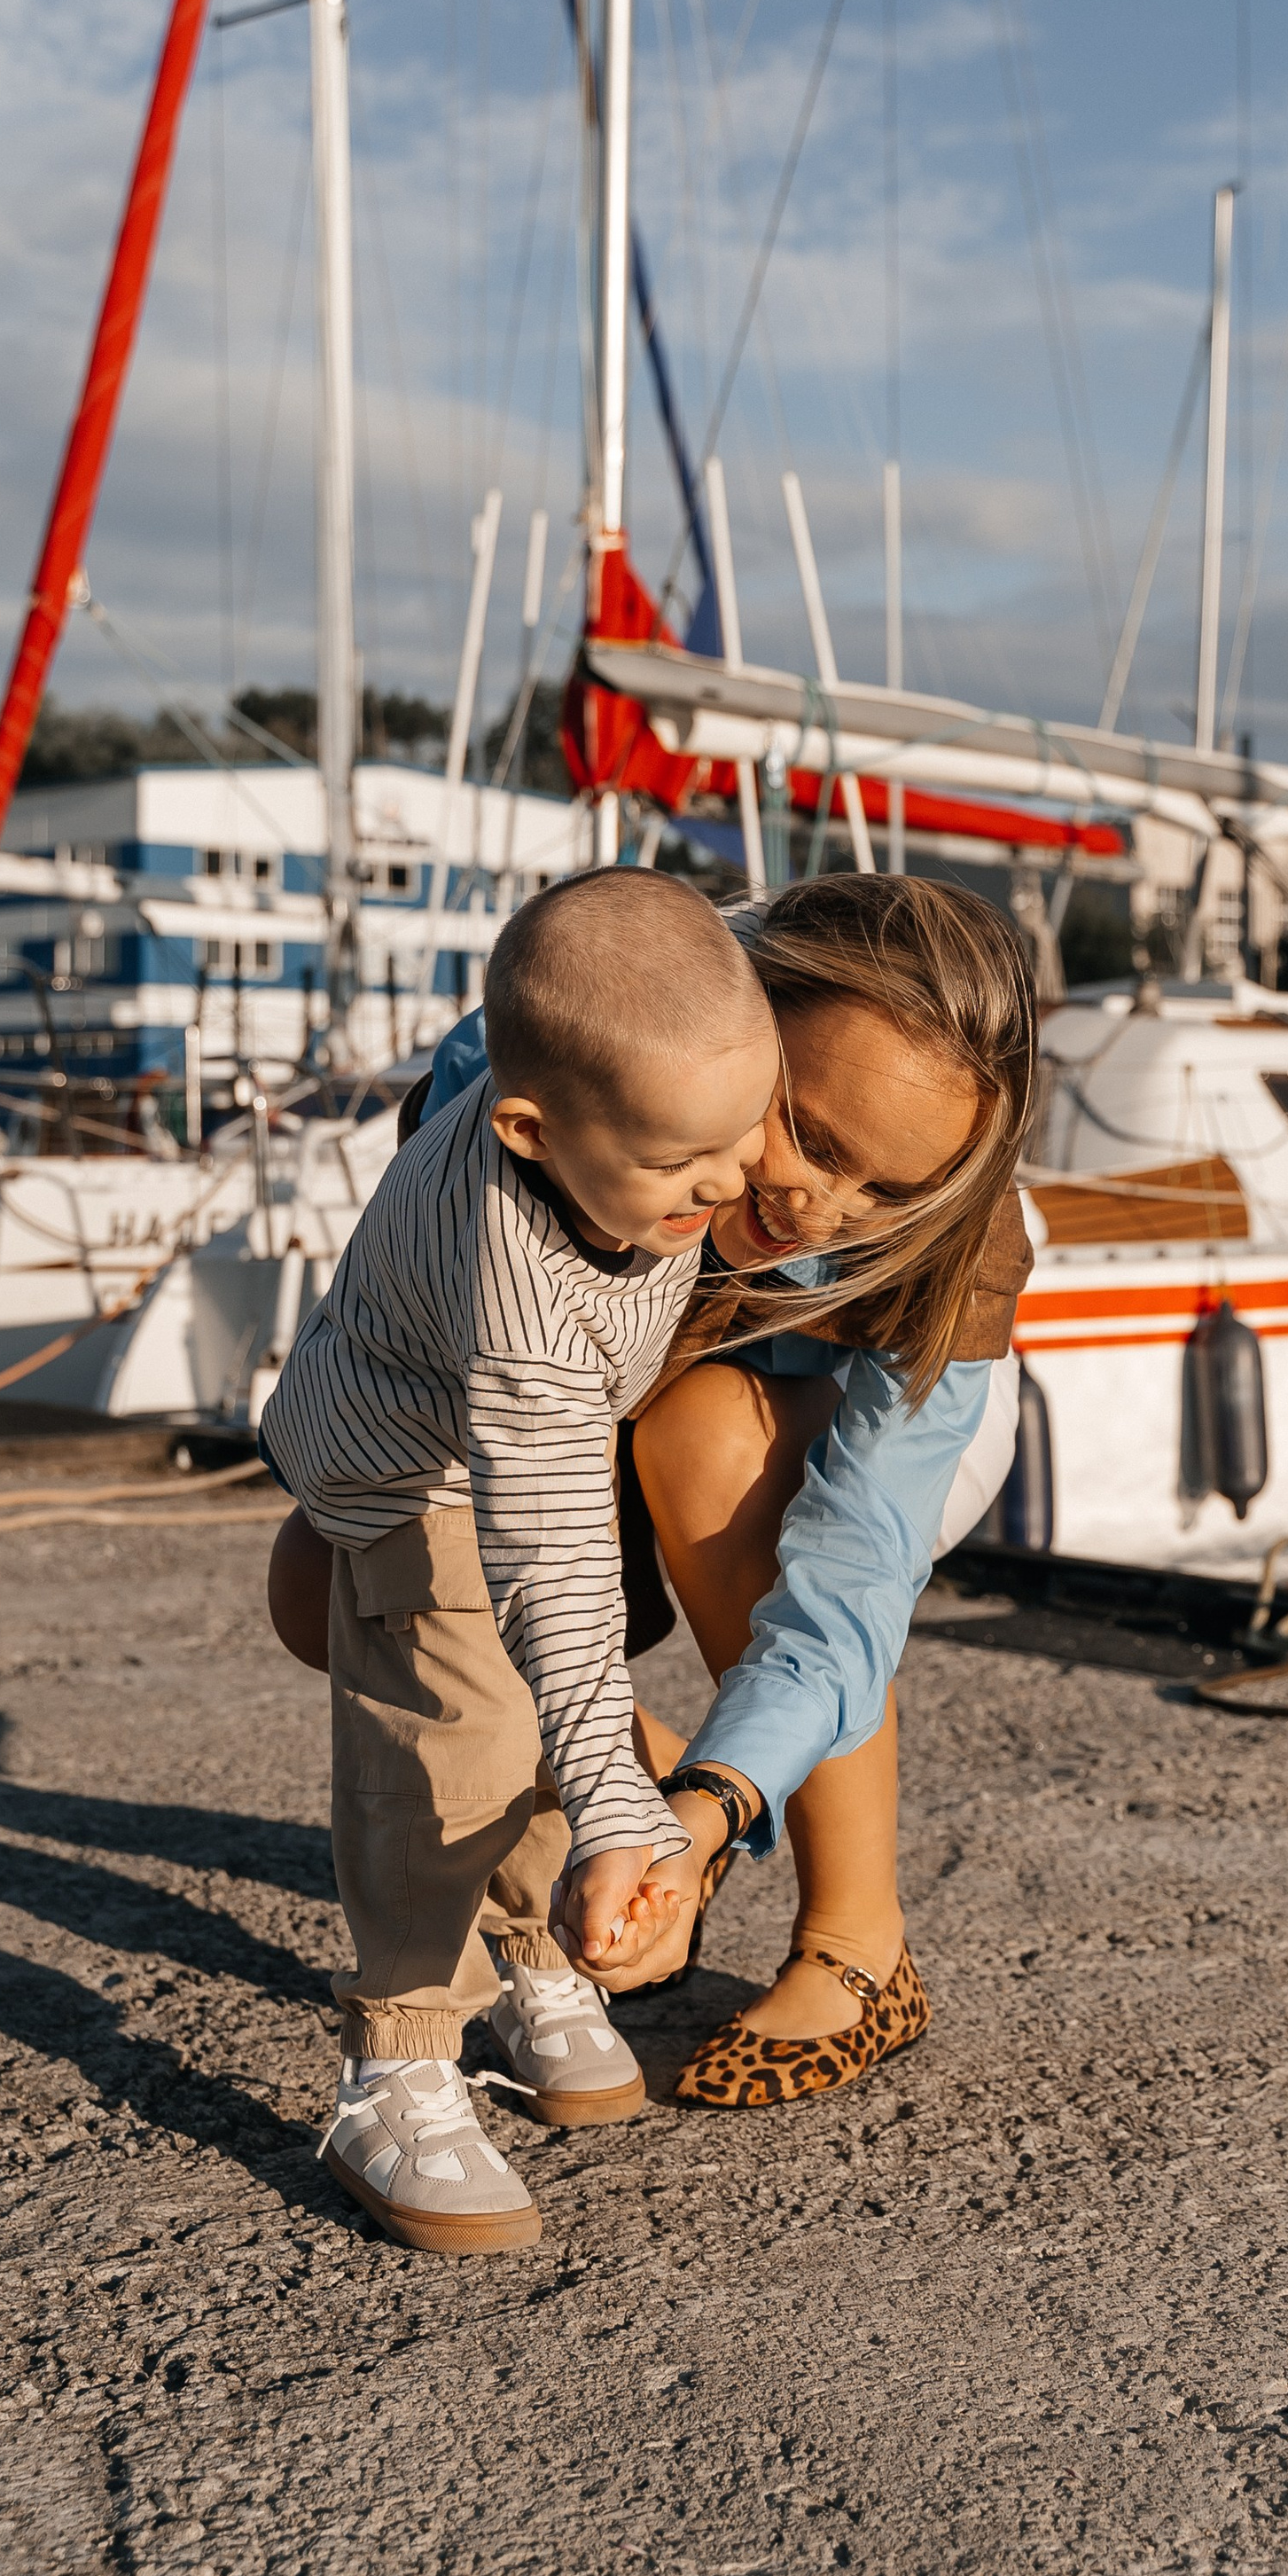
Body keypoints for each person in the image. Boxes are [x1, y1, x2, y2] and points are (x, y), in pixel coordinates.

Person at [269, 870, 1039, 2129]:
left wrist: (719, 1803)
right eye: (813, 1135)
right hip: (579, 1390)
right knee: (324, 1593)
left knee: (708, 1446)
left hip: (802, 1424)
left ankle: (859, 1945)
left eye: (887, 1188)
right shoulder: (542, 1066)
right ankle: (637, 1786)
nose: (820, 1211)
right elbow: (438, 1366)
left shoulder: (952, 1241)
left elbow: (852, 1578)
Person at [255, 865, 778, 2256]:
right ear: (532, 1131)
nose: (728, 1184)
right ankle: (397, 2062)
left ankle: (536, 1958)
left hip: (511, 1449)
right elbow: (553, 1568)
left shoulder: (648, 1141)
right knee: (454, 1735)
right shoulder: (522, 1288)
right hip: (401, 1463)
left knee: (549, 1699)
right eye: (682, 1166)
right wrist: (627, 1816)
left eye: (747, 1132)